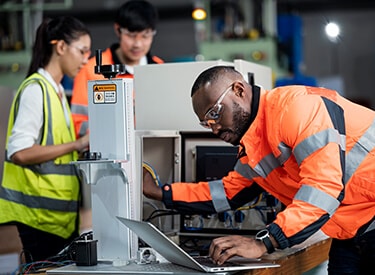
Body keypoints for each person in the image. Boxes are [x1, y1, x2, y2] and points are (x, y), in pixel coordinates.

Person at [143, 65, 375, 274]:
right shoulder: (254, 145)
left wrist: (263, 242)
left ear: (239, 90)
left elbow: (323, 188)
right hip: (351, 232)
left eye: (215, 113)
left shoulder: (296, 109)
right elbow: (226, 193)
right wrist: (161, 192)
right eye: (207, 123)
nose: (214, 129)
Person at [0, 16, 91, 263]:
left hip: (59, 217)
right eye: (82, 51)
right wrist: (77, 144)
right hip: (38, 217)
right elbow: (18, 152)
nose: (86, 59)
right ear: (60, 47)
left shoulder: (58, 91)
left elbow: (57, 152)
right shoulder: (35, 90)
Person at [71, 0, 163, 139]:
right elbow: (78, 123)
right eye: (131, 35)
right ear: (117, 30)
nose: (137, 44)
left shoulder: (161, 70)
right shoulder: (91, 69)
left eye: (145, 35)